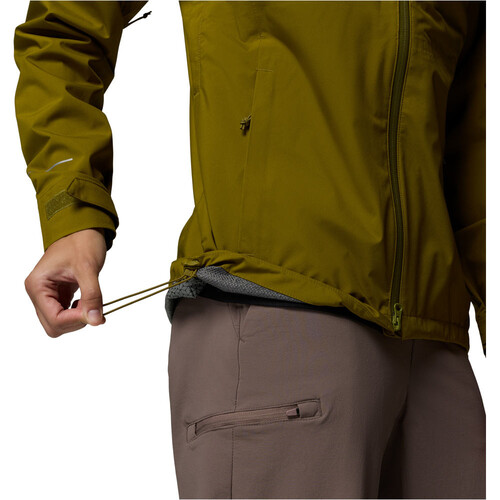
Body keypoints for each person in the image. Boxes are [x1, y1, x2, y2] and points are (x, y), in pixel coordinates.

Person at [14, 1, 486, 498]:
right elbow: (64, 28)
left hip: (438, 344)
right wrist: (72, 210)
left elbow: (474, 125)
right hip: (277, 308)